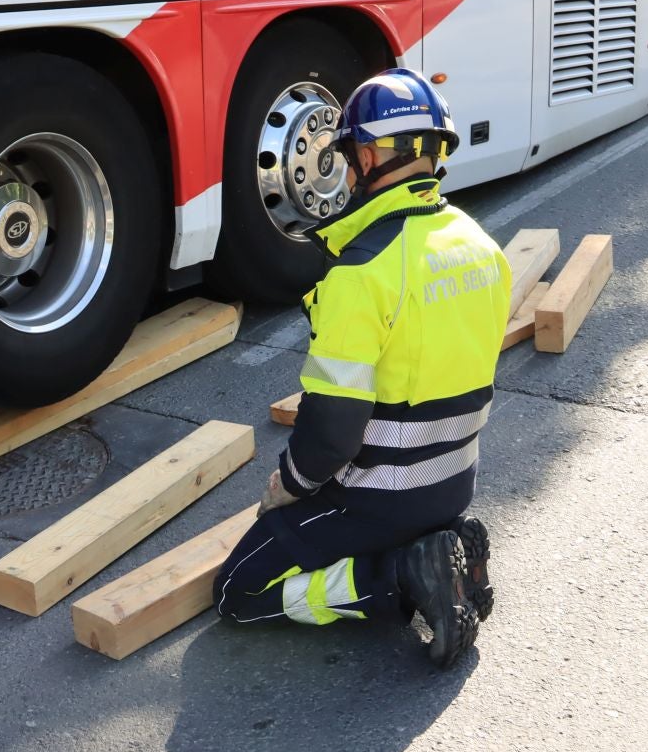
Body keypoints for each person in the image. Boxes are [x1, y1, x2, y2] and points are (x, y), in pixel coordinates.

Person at [212, 67, 506, 669]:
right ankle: (439, 547)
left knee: (239, 589)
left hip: (380, 497)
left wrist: (285, 488)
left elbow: (331, 437)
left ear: (369, 155)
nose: (346, 171)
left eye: (349, 156)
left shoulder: (359, 275)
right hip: (454, 483)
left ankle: (405, 577)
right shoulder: (481, 246)